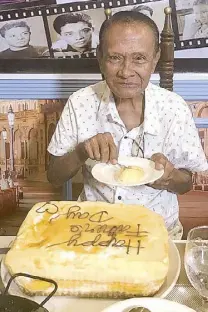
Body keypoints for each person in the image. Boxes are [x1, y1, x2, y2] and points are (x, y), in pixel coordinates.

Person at [47, 11, 208, 239]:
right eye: (115, 58)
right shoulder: (80, 102)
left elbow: (185, 184)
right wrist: (82, 151)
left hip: (156, 232)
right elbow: (54, 176)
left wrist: (170, 177)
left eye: (139, 58)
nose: (126, 72)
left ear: (155, 59)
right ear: (100, 57)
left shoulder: (174, 108)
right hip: (94, 229)